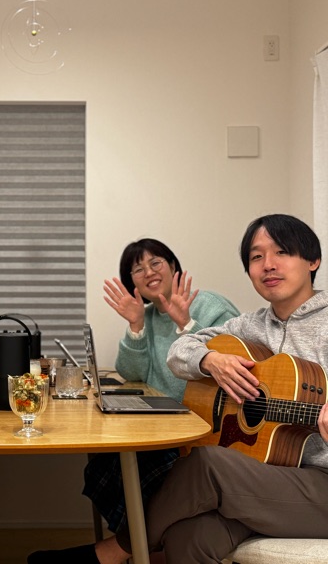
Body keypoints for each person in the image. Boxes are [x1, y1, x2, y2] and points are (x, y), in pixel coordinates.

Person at [28, 238, 240, 563]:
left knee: (145, 467)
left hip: (207, 427)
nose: (149, 272)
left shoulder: (210, 306)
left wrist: (186, 324)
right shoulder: (148, 314)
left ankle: (128, 552)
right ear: (133, 283)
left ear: (173, 266)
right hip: (167, 420)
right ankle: (144, 549)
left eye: (156, 263)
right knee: (106, 463)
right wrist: (136, 325)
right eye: (138, 269)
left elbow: (236, 361)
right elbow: (132, 373)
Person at [145, 213, 328, 563]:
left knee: (208, 463)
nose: (268, 264)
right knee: (189, 537)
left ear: (313, 261)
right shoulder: (249, 325)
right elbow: (178, 352)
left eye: (282, 252)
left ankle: (120, 550)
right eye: (256, 257)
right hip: (271, 475)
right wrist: (210, 360)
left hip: (321, 483)